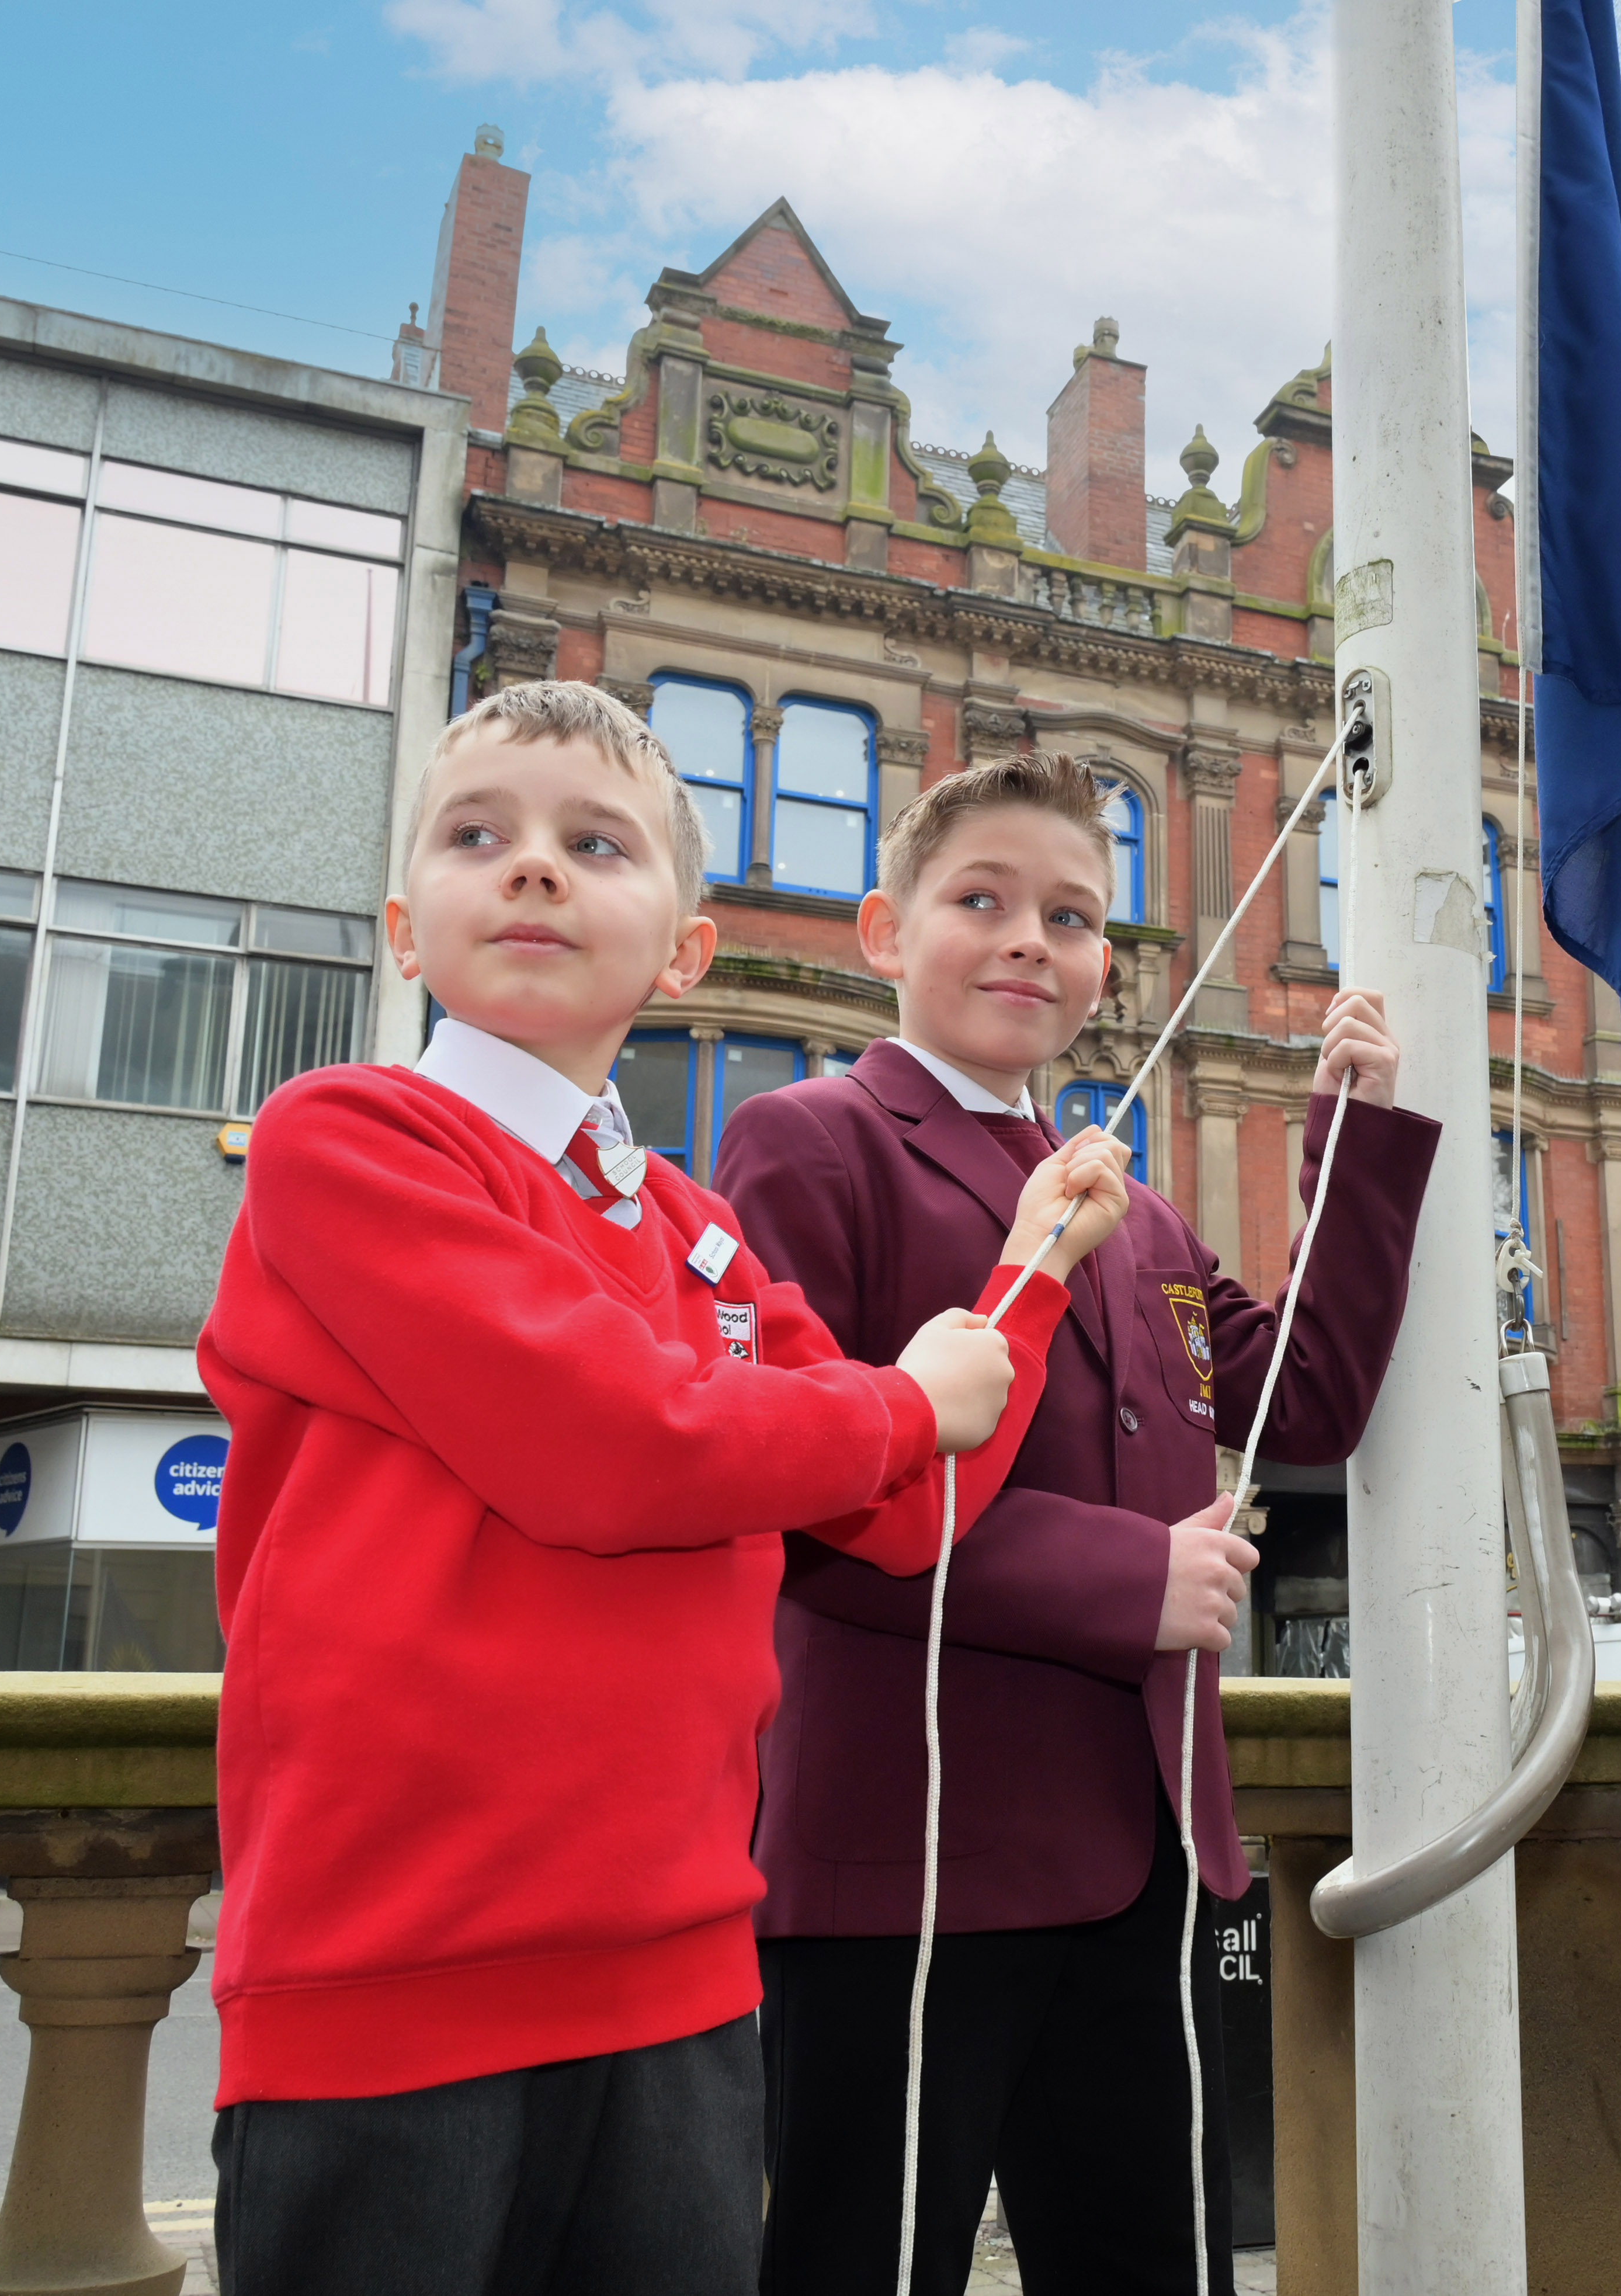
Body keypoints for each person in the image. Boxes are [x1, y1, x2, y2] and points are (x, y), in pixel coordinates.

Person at [197, 684, 1132, 2296]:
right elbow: (619, 1441)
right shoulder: (344, 1136)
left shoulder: (690, 1223)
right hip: (397, 1984)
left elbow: (907, 1502)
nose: (537, 869)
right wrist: (898, 1395)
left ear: (683, 950)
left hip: (683, 1987)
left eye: (596, 842)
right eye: (481, 836)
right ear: (409, 928)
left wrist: (1030, 1276)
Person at [715, 751, 1440, 2294]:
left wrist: (1351, 1142)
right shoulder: (808, 1144)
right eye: (981, 899)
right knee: (861, 2262)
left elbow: (1305, 1396)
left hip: (1162, 1876)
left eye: (1071, 913)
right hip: (907, 1869)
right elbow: (803, 1499)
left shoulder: (1144, 1210)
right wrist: (1133, 1574)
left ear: (1110, 965)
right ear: (883, 931)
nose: (1030, 937)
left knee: (1157, 2265)